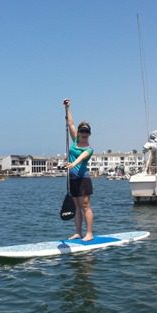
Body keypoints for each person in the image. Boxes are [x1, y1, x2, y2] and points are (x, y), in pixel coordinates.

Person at [63, 99, 94, 241]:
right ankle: (78, 232)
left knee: (85, 206)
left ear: (89, 133)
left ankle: (89, 233)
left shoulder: (89, 149)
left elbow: (81, 157)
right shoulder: (75, 141)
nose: (84, 133)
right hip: (73, 179)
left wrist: (72, 163)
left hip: (83, 180)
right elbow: (70, 123)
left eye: (86, 131)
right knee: (76, 206)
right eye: (82, 131)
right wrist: (67, 108)